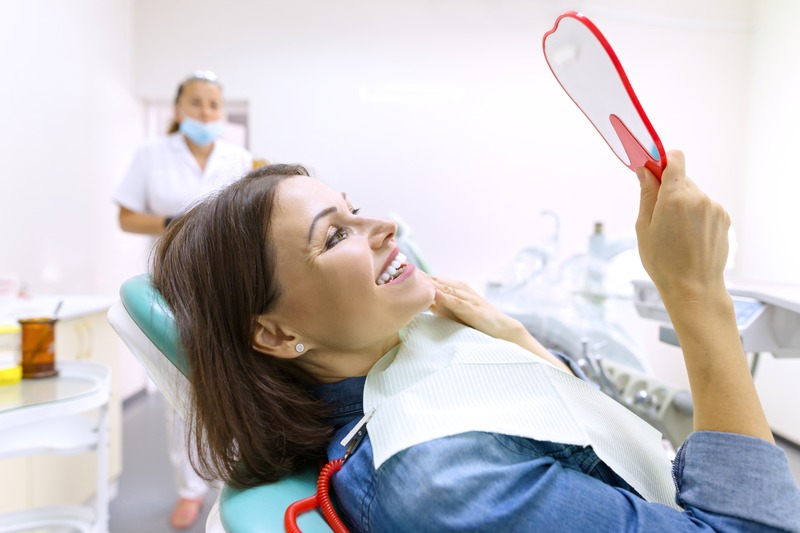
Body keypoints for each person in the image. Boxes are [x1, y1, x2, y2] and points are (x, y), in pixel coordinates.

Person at [151, 153, 800, 532]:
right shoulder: (440, 477)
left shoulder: (422, 337)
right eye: (335, 235)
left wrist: (520, 341)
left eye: (354, 207)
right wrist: (698, 295)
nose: (385, 225)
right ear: (277, 332)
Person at [113, 70, 252, 529]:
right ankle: (190, 490)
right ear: (178, 109)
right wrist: (176, 222)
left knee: (237, 382)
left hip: (228, 282)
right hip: (170, 282)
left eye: (213, 104)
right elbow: (127, 217)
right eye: (196, 103)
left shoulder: (238, 158)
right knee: (181, 388)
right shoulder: (152, 154)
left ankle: (238, 480)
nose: (205, 112)